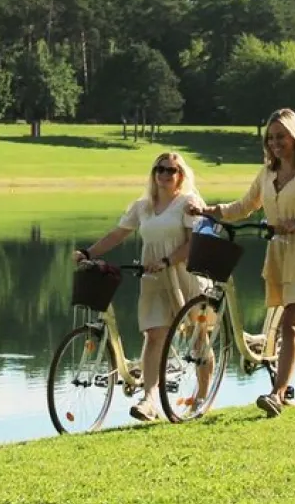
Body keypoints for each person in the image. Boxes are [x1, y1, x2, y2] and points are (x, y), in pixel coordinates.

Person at [188, 108, 295, 417]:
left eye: (281, 136)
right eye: (270, 138)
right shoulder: (266, 174)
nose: (274, 143)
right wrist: (209, 211)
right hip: (279, 256)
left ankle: (277, 393)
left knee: (290, 323)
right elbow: (244, 206)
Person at [74, 152, 209, 422]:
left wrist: (169, 260)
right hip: (153, 277)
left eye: (171, 170)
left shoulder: (188, 203)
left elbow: (195, 241)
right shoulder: (143, 206)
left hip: (184, 275)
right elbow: (117, 234)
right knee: (154, 335)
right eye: (159, 169)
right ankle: (149, 400)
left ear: (180, 175)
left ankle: (203, 396)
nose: (164, 175)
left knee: (199, 338)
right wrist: (87, 254)